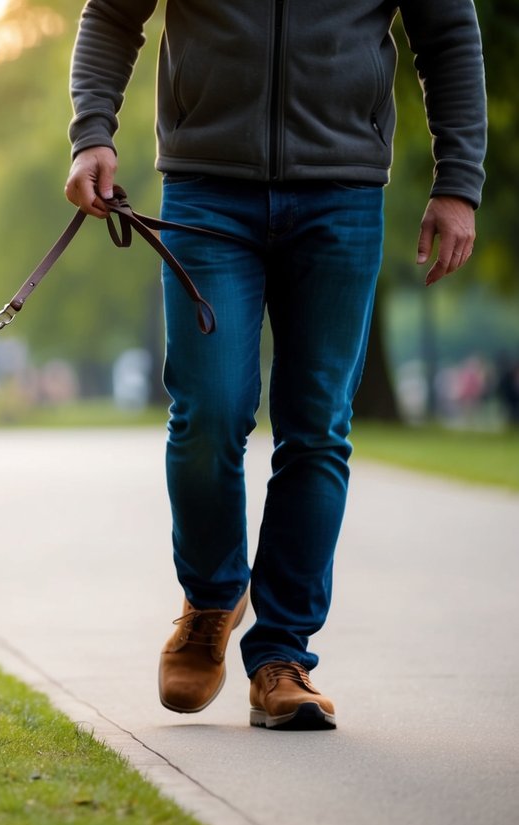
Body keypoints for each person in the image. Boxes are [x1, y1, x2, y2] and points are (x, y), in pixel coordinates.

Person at [64, 1, 486, 730]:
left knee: (317, 428)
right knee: (209, 407)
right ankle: (209, 603)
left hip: (342, 191)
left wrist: (458, 181)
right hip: (205, 186)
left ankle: (280, 658)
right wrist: (90, 132)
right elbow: (110, 15)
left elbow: (447, 34)